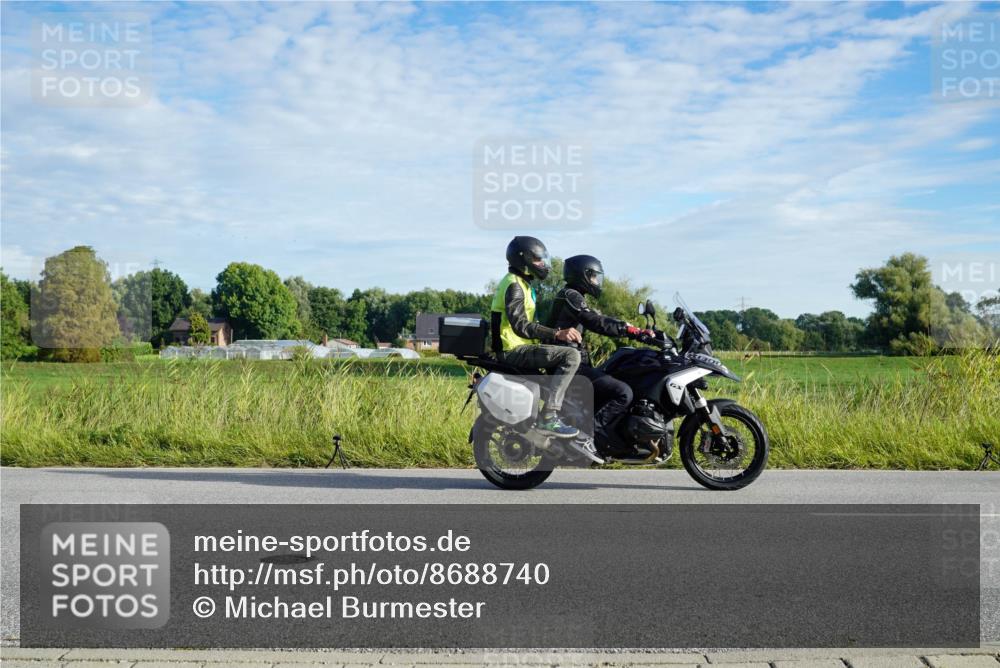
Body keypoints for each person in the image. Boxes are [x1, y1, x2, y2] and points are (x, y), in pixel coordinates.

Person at [490, 236, 602, 463]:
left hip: (521, 347)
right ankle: (549, 416)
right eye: (537, 259)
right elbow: (520, 325)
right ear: (522, 259)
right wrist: (556, 334)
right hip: (512, 350)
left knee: (567, 352)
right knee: (571, 356)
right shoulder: (514, 285)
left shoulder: (523, 284)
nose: (543, 264)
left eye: (542, 259)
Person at [547, 254, 654, 456]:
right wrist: (629, 331)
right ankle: (587, 437)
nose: (597, 281)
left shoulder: (574, 296)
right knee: (623, 392)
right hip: (567, 364)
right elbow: (594, 321)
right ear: (583, 275)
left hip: (572, 361)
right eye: (594, 276)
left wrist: (630, 327)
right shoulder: (570, 295)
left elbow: (599, 317)